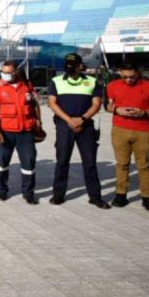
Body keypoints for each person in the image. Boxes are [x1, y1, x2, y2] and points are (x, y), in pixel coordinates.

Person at [47, 53, 110, 209]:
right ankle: (58, 195)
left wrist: (82, 119)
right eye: (68, 64)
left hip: (86, 126)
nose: (70, 67)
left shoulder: (92, 81)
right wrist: (70, 120)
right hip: (64, 126)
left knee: (89, 163)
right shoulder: (56, 81)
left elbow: (96, 104)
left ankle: (95, 197)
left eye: (74, 64)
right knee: (62, 162)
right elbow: (52, 104)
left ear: (80, 65)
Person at [105, 62, 149, 212]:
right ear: (119, 73)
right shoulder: (112, 85)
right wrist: (118, 110)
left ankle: (147, 197)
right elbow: (108, 106)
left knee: (143, 165)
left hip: (143, 130)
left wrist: (144, 113)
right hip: (119, 129)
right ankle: (121, 195)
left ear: (138, 72)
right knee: (121, 164)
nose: (128, 80)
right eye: (125, 77)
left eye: (132, 76)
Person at [0, 61, 42, 204]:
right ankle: (1, 190)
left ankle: (28, 192)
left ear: (16, 72)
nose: (5, 75)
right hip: (5, 132)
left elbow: (35, 104)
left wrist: (39, 121)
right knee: (2, 162)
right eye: (3, 72)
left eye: (8, 72)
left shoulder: (27, 85)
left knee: (29, 162)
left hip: (26, 131)